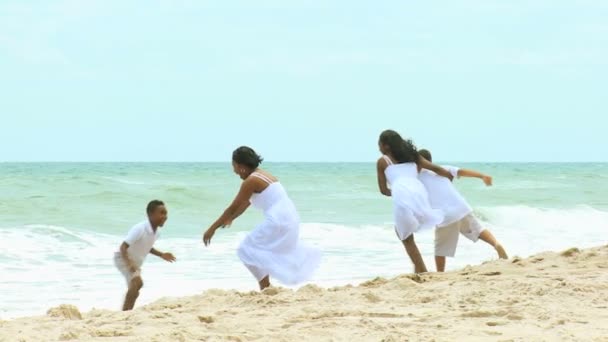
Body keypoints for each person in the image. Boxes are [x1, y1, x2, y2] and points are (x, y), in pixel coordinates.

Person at [203, 146, 321, 290]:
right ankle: (266, 287)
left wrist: (211, 229)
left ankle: (265, 287)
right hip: (288, 218)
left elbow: (233, 207)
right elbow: (244, 205)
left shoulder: (251, 181)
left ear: (241, 166)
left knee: (245, 250)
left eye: (234, 166)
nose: (234, 171)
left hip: (278, 221)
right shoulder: (261, 175)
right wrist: (232, 218)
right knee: (258, 250)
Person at [417, 149, 508, 272]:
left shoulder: (417, 178)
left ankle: (440, 273)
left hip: (445, 215)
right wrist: (482, 176)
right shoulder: (442, 169)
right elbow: (462, 171)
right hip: (461, 206)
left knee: (440, 248)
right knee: (479, 229)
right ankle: (496, 244)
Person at [376, 130, 453, 273]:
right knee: (405, 232)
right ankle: (419, 270)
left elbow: (383, 190)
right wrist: (449, 179)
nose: (378, 147)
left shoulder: (383, 161)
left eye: (379, 144)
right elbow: (435, 168)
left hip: (401, 194)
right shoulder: (413, 156)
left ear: (386, 146)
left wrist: (398, 192)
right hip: (419, 192)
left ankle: (422, 270)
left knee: (404, 235)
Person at [114, 200, 176, 311]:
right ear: (150, 214)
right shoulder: (140, 228)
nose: (165, 216)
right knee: (136, 282)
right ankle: (125, 312)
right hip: (123, 258)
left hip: (134, 261)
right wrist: (129, 264)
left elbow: (147, 247)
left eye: (166, 213)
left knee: (138, 285)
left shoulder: (156, 233)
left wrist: (162, 254)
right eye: (161, 213)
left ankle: (128, 309)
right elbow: (123, 247)